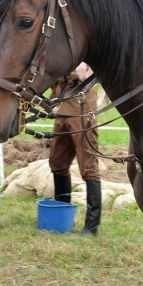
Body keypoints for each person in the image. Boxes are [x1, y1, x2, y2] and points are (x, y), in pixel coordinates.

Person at [50, 63, 102, 236]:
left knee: (88, 165)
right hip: (62, 98)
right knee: (57, 162)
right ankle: (61, 218)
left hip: (82, 101)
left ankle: (91, 225)